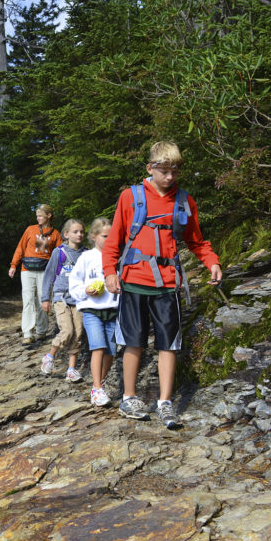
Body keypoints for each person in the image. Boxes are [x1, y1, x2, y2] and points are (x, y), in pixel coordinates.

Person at [102, 141, 222, 428]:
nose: (170, 177)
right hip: (133, 281)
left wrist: (212, 262)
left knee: (169, 344)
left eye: (175, 171)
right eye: (165, 171)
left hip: (168, 284)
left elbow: (196, 240)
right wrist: (109, 272)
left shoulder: (184, 200)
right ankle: (129, 397)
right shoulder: (130, 197)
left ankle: (165, 403)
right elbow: (114, 240)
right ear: (150, 168)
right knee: (133, 341)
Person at [69, 218, 119, 407]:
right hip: (91, 309)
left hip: (112, 309)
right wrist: (85, 291)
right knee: (98, 346)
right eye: (105, 236)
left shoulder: (117, 257)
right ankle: (96, 388)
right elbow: (74, 283)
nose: (109, 239)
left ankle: (102, 381)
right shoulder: (86, 257)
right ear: (93, 236)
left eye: (112, 236)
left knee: (111, 351)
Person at [39, 219, 87, 381]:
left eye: (81, 231)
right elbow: (48, 276)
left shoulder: (86, 254)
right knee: (67, 330)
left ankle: (71, 370)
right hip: (61, 298)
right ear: (66, 234)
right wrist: (45, 298)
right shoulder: (59, 253)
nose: (79, 234)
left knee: (78, 333)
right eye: (75, 231)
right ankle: (50, 357)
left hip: (80, 299)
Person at [9, 204, 63, 345]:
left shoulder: (55, 234)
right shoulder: (30, 230)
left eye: (40, 215)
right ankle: (27, 333)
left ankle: (41, 331)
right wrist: (13, 265)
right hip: (27, 270)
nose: (37, 218)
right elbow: (20, 248)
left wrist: (59, 273)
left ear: (48, 216)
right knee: (28, 301)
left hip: (45, 271)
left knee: (42, 300)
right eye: (37, 216)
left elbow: (59, 255)